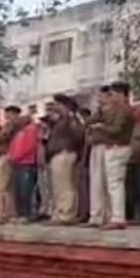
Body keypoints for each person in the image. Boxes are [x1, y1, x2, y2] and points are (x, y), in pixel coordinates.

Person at [87, 82, 135, 230]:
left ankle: (118, 217)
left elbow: (116, 129)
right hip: (116, 147)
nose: (111, 97)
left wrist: (102, 128)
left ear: (121, 95)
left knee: (115, 184)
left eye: (113, 94)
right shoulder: (119, 109)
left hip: (118, 147)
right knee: (113, 184)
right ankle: (115, 216)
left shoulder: (123, 110)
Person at [44, 95, 84, 224]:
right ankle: (60, 211)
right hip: (56, 154)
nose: (55, 107)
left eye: (58, 105)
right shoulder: (59, 121)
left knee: (65, 185)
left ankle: (66, 214)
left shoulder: (71, 119)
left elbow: (79, 135)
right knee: (58, 185)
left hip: (65, 152)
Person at [0, 106, 27, 224]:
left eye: (7, 113)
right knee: (9, 188)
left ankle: (0, 214)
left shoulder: (11, 125)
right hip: (13, 157)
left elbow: (1, 138)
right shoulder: (22, 126)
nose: (6, 116)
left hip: (5, 155)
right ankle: (10, 213)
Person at [6, 114, 41, 223]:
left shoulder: (31, 130)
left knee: (26, 190)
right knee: (18, 190)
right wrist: (11, 156)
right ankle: (20, 213)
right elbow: (12, 147)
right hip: (17, 164)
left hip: (27, 163)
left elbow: (29, 147)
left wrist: (16, 157)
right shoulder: (18, 133)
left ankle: (27, 214)